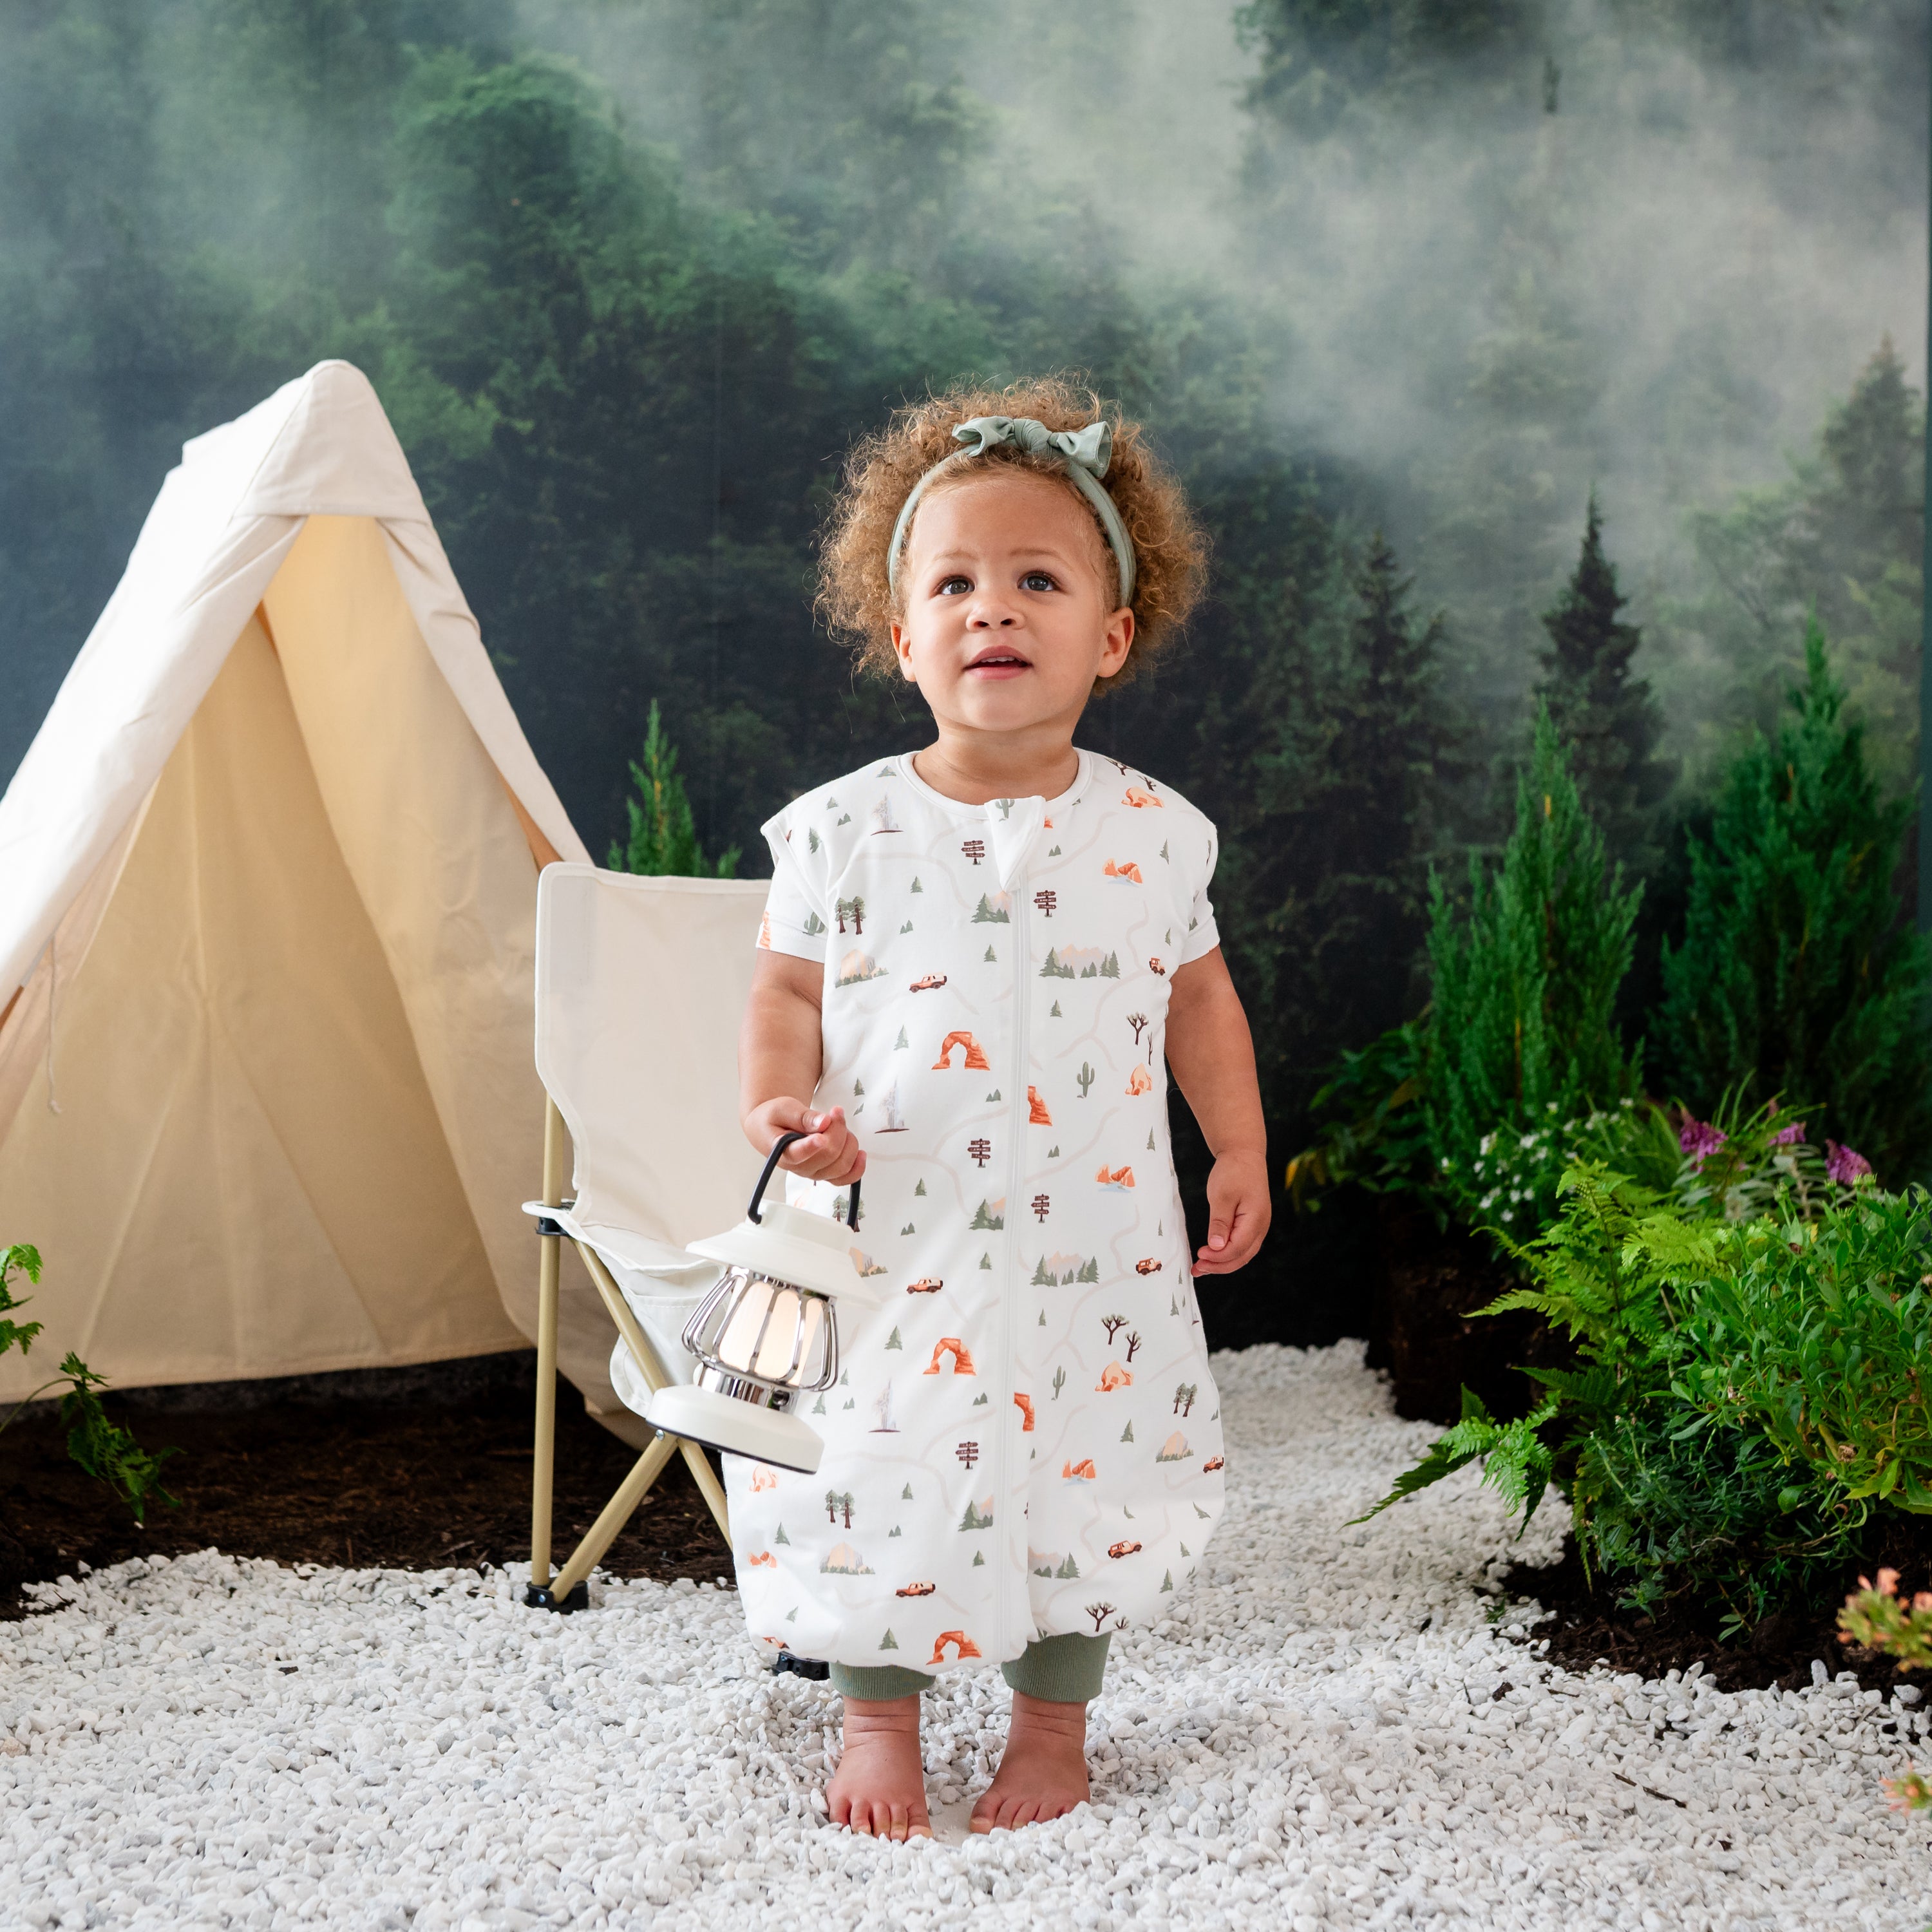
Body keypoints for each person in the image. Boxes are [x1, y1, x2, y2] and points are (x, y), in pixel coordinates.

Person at [731, 377, 1269, 1839]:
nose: (994, 610)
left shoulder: (1154, 836)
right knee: (874, 1466)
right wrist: (781, 1105)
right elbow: (784, 993)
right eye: (955, 583)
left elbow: (1198, 1003)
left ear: (1110, 633)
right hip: (892, 1231)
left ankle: (1050, 1727)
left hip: (1090, 1245)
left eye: (1038, 579)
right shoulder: (840, 832)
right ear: (903, 635)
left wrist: (1236, 1145)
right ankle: (875, 1721)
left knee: (1080, 1477)